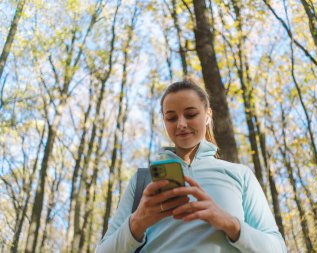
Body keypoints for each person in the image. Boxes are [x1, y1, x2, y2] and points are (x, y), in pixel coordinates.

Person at [96, 78, 287, 252]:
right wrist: (137, 222)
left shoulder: (240, 174)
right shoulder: (143, 181)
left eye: (190, 114)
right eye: (171, 118)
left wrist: (230, 223)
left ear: (207, 115)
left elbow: (277, 248)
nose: (181, 124)